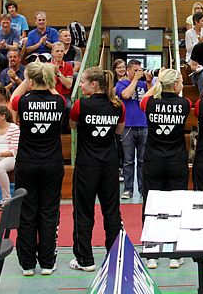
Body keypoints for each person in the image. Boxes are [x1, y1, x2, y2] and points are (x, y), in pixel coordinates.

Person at [11, 61, 66, 276]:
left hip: (27, 163)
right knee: (49, 212)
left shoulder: (22, 102)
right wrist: (48, 79)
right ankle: (46, 262)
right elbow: (54, 93)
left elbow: (14, 97)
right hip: (52, 164)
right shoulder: (59, 101)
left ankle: (27, 263)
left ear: (31, 80)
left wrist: (26, 81)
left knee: (27, 212)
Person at [69, 67, 125, 272]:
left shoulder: (80, 105)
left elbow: (73, 126)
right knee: (112, 211)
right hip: (109, 165)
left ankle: (85, 259)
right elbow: (119, 130)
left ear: (94, 84)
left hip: (87, 166)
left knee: (83, 212)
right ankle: (115, 257)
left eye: (83, 81)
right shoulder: (117, 106)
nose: (80, 85)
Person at [140, 69, 191, 269]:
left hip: (154, 159)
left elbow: (144, 97)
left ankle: (151, 252)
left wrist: (156, 82)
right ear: (177, 85)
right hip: (176, 160)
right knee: (175, 205)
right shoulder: (185, 104)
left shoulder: (150, 102)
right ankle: (174, 254)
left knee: (151, 203)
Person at [115, 59, 149, 200]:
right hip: (128, 125)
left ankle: (143, 189)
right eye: (135, 70)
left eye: (139, 70)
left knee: (142, 160)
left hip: (144, 124)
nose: (138, 73)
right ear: (128, 70)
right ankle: (128, 189)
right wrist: (135, 79)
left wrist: (148, 81)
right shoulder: (121, 83)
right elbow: (126, 95)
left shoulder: (143, 84)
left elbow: (152, 95)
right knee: (129, 161)